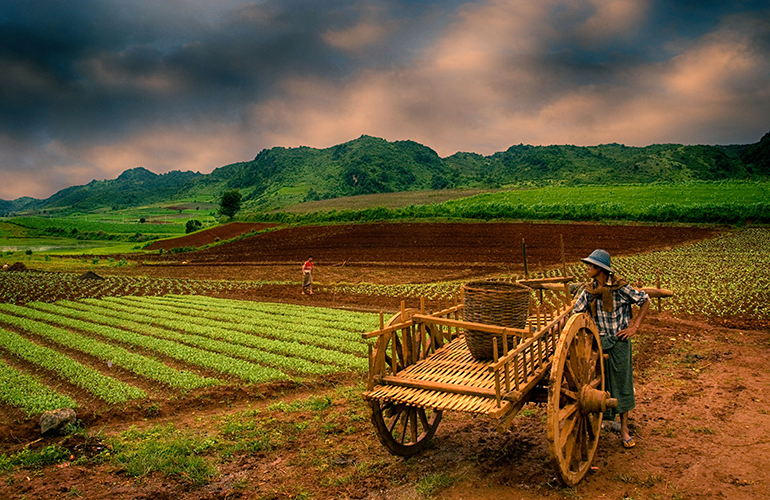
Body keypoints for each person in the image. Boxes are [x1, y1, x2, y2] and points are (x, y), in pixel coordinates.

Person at [572, 249, 650, 449]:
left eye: (590, 265)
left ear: (600, 268)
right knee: (600, 385)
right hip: (598, 344)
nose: (587, 268)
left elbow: (644, 300)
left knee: (622, 384)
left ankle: (624, 429)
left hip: (619, 343)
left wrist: (635, 327)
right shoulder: (589, 290)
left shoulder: (621, 288)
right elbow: (575, 312)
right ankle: (602, 422)